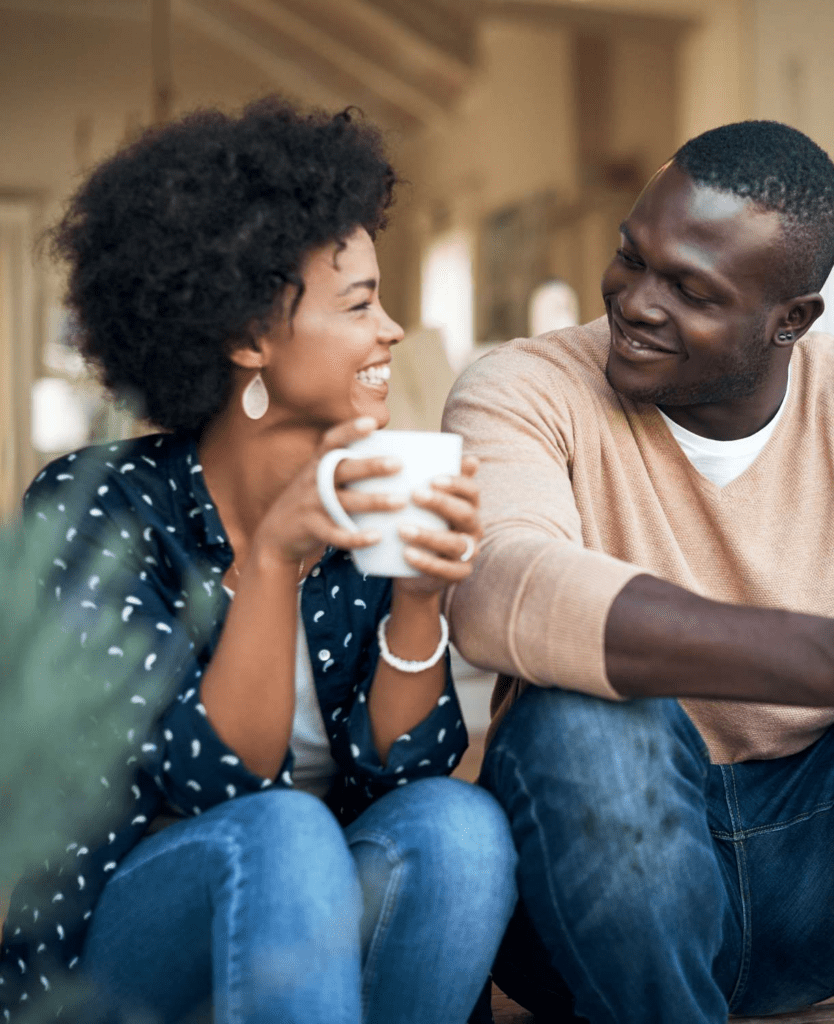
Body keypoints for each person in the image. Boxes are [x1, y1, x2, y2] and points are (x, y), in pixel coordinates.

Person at [443, 120, 834, 1024]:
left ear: (792, 319)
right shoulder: (523, 388)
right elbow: (499, 588)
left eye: (690, 289)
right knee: (583, 715)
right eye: (632, 258)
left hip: (827, 876)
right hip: (592, 900)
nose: (636, 302)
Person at [0, 98, 517, 1024]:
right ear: (246, 338)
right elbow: (215, 786)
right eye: (359, 303)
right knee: (280, 833)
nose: (392, 329)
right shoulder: (105, 510)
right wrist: (274, 559)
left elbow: (404, 776)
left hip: (312, 951)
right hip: (126, 957)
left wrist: (418, 597)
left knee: (461, 828)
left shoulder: (367, 496)